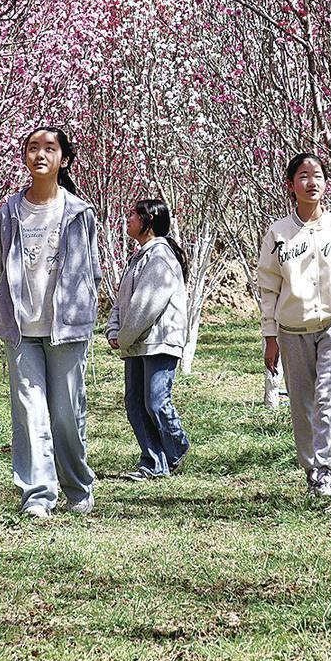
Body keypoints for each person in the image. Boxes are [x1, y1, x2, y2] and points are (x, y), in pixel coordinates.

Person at [0, 127, 100, 518]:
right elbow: (2, 265)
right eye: (32, 148)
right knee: (29, 413)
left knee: (66, 413)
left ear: (64, 159)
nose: (40, 154)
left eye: (49, 148)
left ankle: (76, 486)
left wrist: (84, 314)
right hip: (22, 329)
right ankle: (38, 495)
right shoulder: (9, 211)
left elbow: (92, 270)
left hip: (66, 328)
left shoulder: (78, 212)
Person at [258, 152, 331, 498]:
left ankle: (325, 470)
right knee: (302, 402)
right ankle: (310, 467)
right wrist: (269, 336)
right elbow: (268, 286)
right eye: (304, 176)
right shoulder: (278, 233)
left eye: (318, 176)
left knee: (328, 397)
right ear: (291, 186)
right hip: (292, 330)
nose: (312, 182)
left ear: (326, 184)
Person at [107, 199, 192, 480]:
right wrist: (113, 330)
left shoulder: (159, 258)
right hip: (136, 342)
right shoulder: (139, 257)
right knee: (135, 403)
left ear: (150, 221)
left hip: (159, 341)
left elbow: (146, 306)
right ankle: (154, 461)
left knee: (156, 402)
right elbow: (122, 301)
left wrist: (124, 336)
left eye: (133, 214)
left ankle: (176, 447)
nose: (127, 218)